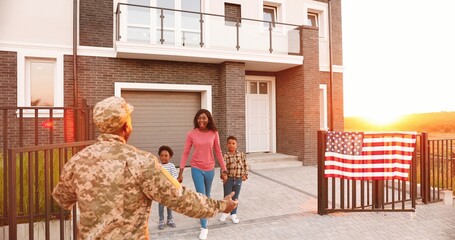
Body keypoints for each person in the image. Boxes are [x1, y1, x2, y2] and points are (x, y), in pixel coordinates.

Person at [52, 96, 238, 240]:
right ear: (126, 126)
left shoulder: (77, 161)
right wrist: (222, 205)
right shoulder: (142, 162)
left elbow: (62, 199)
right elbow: (181, 199)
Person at [178, 109, 228, 240]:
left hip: (210, 168)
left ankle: (203, 215)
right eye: (199, 118)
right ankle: (204, 227)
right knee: (202, 196)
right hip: (196, 168)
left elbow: (218, 151)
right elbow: (185, 153)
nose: (201, 120)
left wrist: (224, 169)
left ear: (209, 119)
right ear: (196, 119)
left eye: (204, 118)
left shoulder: (214, 133)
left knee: (208, 195)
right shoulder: (191, 134)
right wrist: (181, 171)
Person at [219, 136, 248, 224]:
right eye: (229, 143)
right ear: (227, 145)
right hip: (229, 179)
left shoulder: (241, 154)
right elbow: (223, 167)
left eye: (233, 143)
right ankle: (226, 212)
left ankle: (233, 214)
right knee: (227, 197)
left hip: (238, 179)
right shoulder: (226, 155)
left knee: (235, 197)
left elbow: (245, 165)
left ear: (236, 144)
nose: (231, 145)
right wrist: (223, 175)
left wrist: (245, 175)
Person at [157, 145, 178, 230]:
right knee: (161, 206)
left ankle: (170, 220)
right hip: (161, 190)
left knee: (170, 205)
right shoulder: (158, 166)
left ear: (170, 156)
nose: (163, 157)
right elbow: (157, 177)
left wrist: (172, 184)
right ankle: (161, 221)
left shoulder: (171, 166)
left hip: (170, 189)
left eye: (166, 156)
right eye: (161, 155)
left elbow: (174, 176)